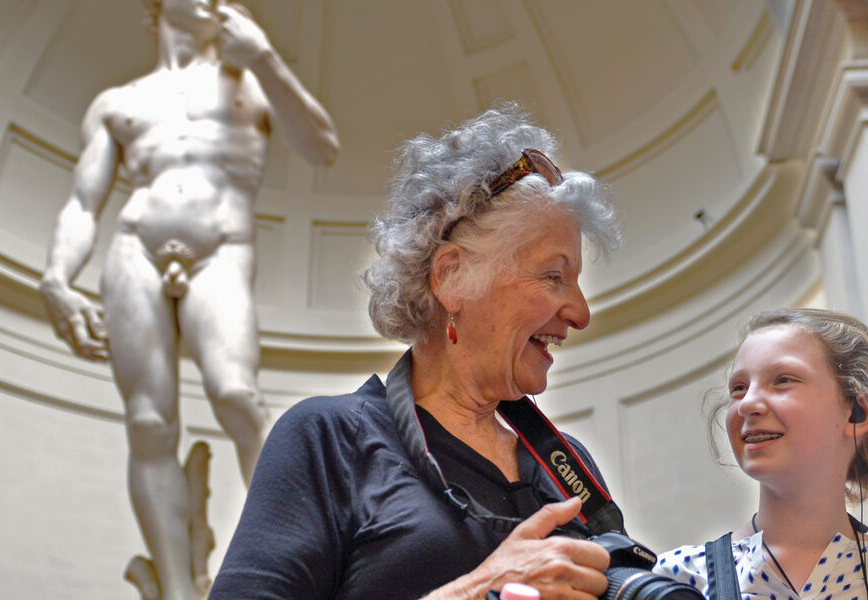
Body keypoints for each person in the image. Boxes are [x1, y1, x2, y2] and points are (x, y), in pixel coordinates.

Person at [209, 106, 623, 600]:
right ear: (451, 277)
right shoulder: (329, 439)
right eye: (553, 277)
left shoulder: (569, 465)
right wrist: (476, 591)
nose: (580, 312)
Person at [36, 0, 339, 597]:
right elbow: (81, 203)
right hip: (133, 248)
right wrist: (55, 278)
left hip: (221, 248)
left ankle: (293, 572)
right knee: (148, 424)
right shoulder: (118, 102)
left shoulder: (250, 82)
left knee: (237, 396)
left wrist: (266, 58)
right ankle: (177, 591)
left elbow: (322, 146)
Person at [654, 308, 868, 599]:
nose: (746, 404)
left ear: (858, 413)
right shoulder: (675, 578)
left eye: (783, 380)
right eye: (739, 388)